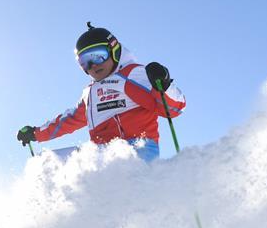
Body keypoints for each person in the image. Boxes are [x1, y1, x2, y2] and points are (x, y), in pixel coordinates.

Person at [16, 23, 186, 162]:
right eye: (85, 62)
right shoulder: (90, 93)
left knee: (104, 164)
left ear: (113, 49)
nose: (93, 65)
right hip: (101, 154)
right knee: (45, 163)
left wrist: (162, 85)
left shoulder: (132, 74)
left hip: (136, 149)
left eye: (98, 56)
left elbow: (173, 109)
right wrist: (36, 133)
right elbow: (69, 120)